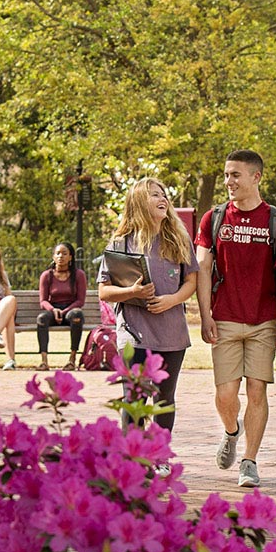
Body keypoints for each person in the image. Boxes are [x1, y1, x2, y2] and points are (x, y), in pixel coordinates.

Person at [195, 149, 276, 489]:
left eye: (235, 175)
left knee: (257, 390)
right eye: (226, 175)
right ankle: (230, 430)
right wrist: (205, 313)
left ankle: (250, 461)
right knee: (225, 394)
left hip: (263, 320)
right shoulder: (214, 218)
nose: (228, 181)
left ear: (256, 177)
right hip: (223, 317)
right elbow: (203, 267)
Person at [98, 179, 200, 448]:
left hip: (172, 335)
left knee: (164, 401)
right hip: (134, 336)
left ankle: (158, 456)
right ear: (138, 203)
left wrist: (172, 300)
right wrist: (132, 292)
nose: (162, 198)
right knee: (134, 401)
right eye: (154, 194)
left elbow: (191, 280)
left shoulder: (179, 238)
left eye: (163, 194)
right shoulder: (121, 242)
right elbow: (104, 292)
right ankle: (131, 459)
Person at [36, 242, 89, 370]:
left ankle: (72, 359)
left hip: (70, 310)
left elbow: (80, 301)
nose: (61, 256)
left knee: (77, 315)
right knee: (41, 318)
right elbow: (43, 301)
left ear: (70, 257)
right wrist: (53, 310)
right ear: (53, 257)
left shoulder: (79, 275)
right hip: (53, 310)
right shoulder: (46, 275)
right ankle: (44, 361)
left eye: (64, 254)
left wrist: (64, 311)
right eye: (58, 253)